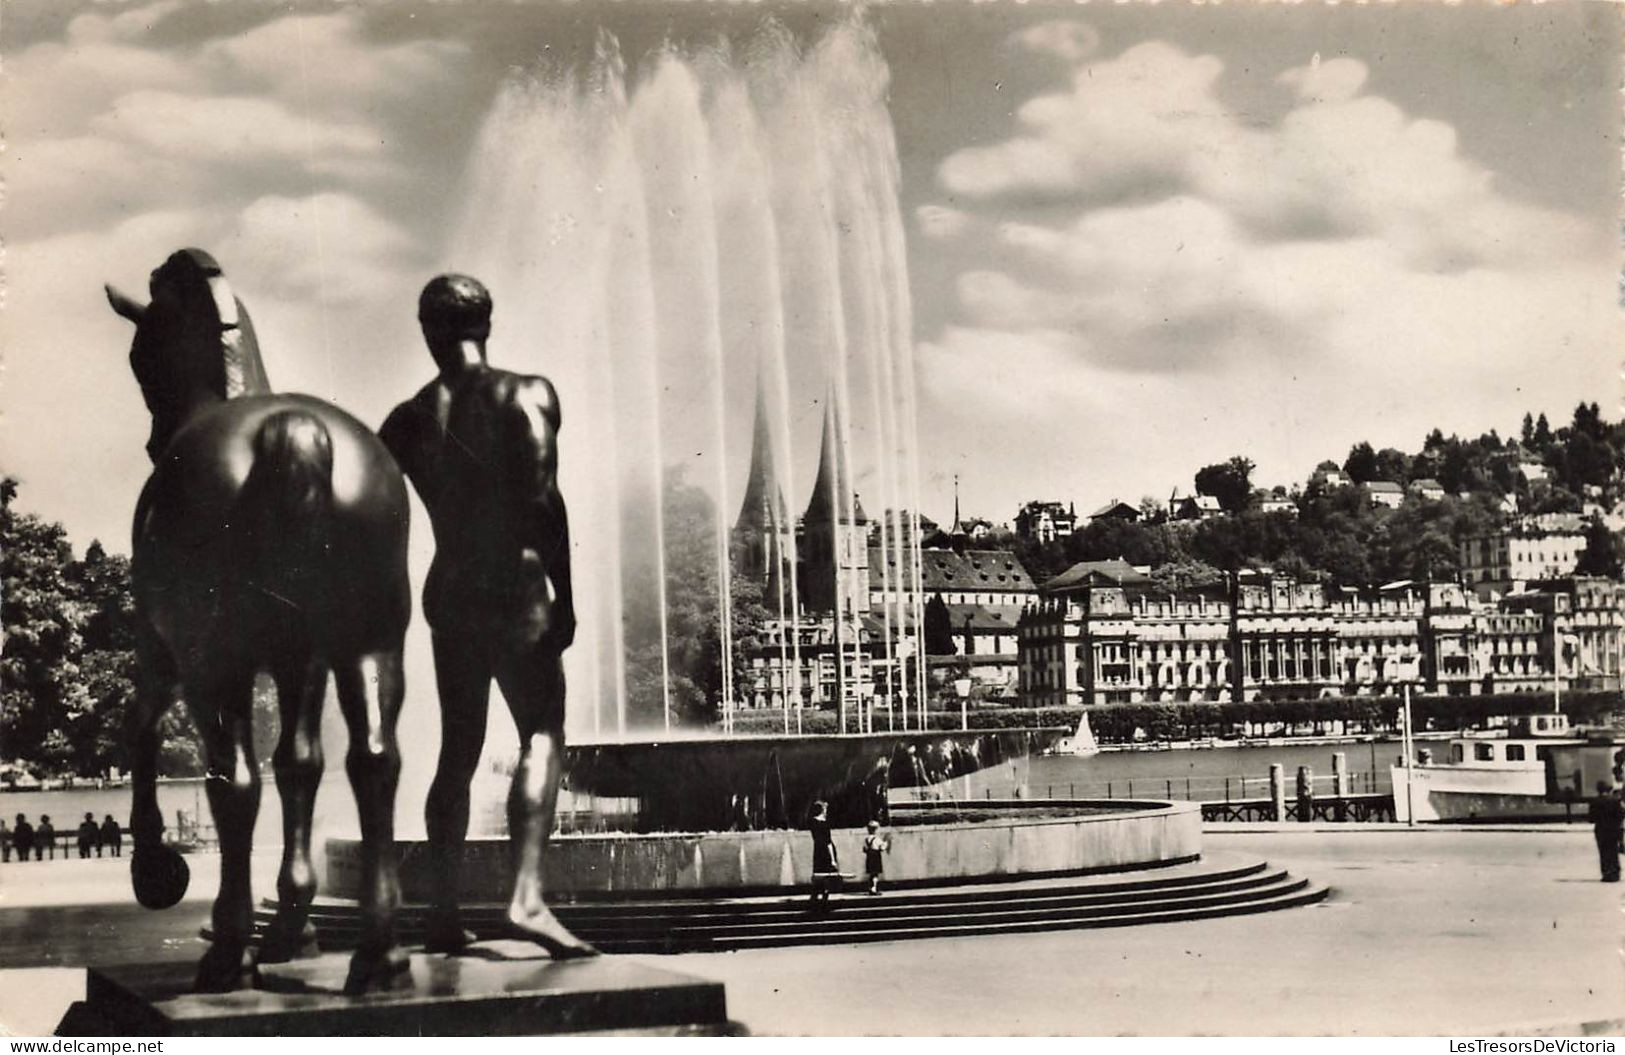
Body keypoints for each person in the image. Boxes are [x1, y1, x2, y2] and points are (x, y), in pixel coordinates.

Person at [380, 274, 595, 960]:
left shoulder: (407, 418)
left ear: (427, 330)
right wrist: (566, 594)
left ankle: (442, 913)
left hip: (452, 588)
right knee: (541, 731)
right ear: (488, 323)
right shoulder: (527, 393)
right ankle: (526, 897)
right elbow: (544, 498)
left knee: (457, 749)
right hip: (519, 583)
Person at [1588, 781, 1623, 882]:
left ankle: (1606, 873)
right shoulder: (1615, 801)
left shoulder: (1595, 802)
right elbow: (1621, 815)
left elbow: (1591, 818)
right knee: (1613, 851)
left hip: (1601, 830)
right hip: (1613, 829)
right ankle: (1615, 873)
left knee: (1603, 852)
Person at [808, 801, 838, 910]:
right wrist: (833, 859)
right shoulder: (825, 824)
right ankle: (824, 898)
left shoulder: (812, 822)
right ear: (823, 810)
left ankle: (814, 896)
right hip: (826, 850)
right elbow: (828, 842)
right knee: (827, 875)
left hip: (818, 850)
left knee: (818, 874)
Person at [863, 820, 890, 895]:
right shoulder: (877, 839)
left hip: (869, 856)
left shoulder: (866, 839)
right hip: (876, 856)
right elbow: (882, 848)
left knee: (871, 874)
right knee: (875, 874)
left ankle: (870, 887)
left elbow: (864, 849)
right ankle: (874, 888)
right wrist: (886, 842)